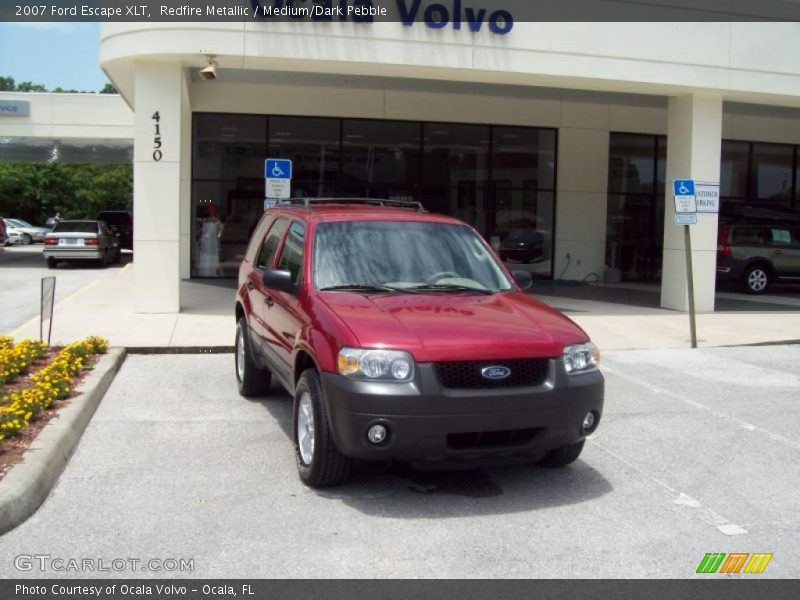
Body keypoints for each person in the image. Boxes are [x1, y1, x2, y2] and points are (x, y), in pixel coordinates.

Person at [197, 205, 223, 277]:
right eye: (210, 211)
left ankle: (213, 273)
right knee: (207, 260)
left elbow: (220, 232)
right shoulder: (206, 221)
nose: (211, 213)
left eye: (212, 211)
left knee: (213, 261)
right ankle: (208, 273)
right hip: (206, 245)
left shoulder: (217, 222)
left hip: (213, 244)